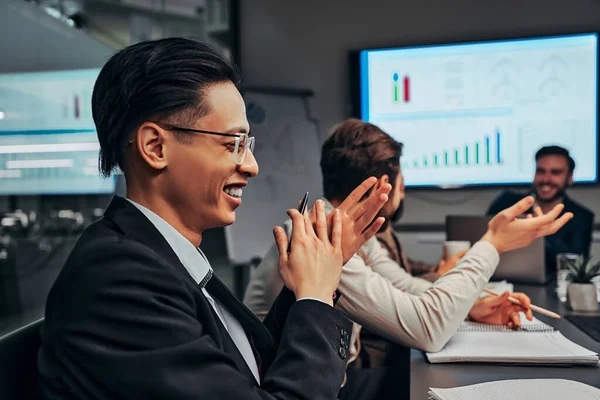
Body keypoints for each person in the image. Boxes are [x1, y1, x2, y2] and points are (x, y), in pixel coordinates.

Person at [37, 39, 392, 400]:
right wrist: (314, 298)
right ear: (155, 147)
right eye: (232, 144)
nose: (251, 166)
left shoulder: (162, 255)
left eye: (247, 145)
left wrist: (307, 285)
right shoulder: (117, 280)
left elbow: (249, 373)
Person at [244, 119, 572, 369]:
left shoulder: (346, 228)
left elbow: (408, 287)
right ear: (385, 184)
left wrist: (472, 307)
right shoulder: (318, 236)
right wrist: (492, 244)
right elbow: (426, 328)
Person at [488, 145, 594, 264]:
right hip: (498, 280)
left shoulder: (580, 217)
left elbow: (575, 267)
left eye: (555, 172)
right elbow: (484, 243)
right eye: (540, 171)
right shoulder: (507, 204)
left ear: (569, 178)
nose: (546, 179)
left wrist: (542, 232)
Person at [375, 173, 467, 283]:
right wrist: (439, 273)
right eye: (401, 186)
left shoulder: (383, 226)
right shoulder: (374, 232)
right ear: (383, 184)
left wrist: (437, 269)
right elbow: (396, 288)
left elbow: (402, 266)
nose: (403, 195)